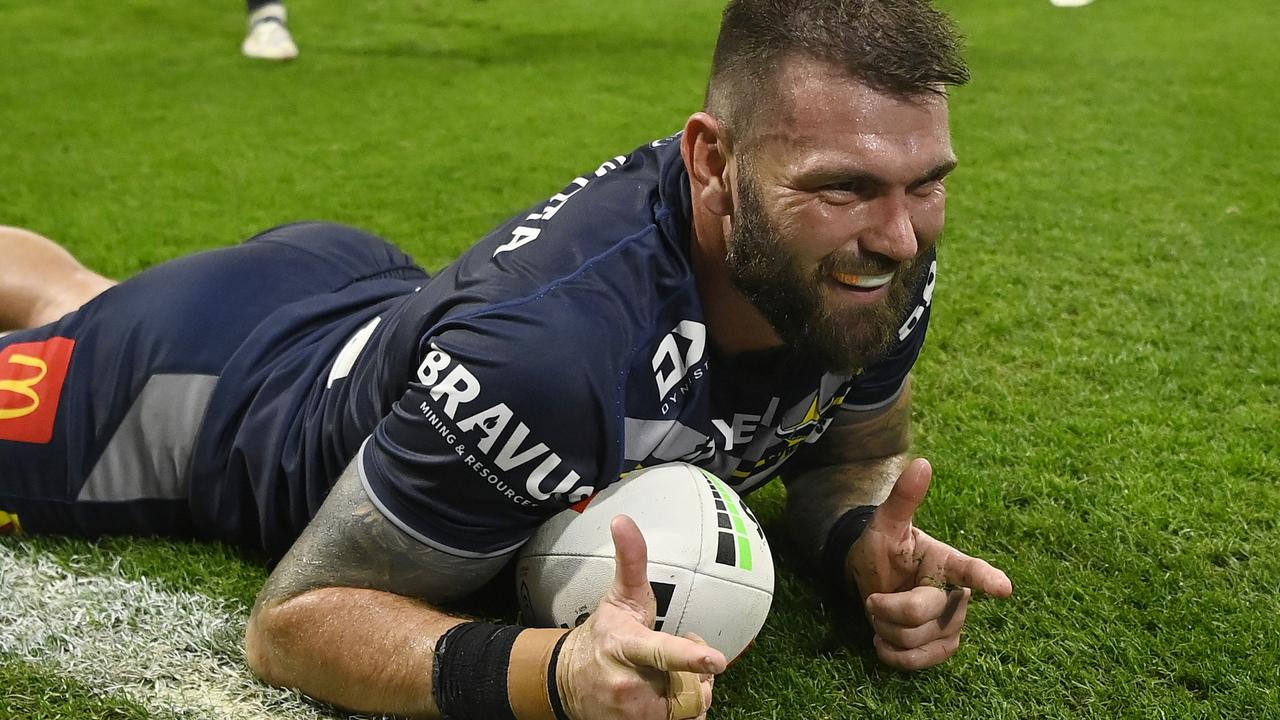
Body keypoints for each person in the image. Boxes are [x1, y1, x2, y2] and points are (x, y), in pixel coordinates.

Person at [0, 1, 1014, 718]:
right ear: (711, 161)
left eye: (923, 183)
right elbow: (294, 624)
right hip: (194, 394)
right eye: (842, 187)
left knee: (83, 300)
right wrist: (554, 678)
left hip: (362, 298)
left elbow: (846, 454)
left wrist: (852, 546)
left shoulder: (868, 268)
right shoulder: (551, 358)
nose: (895, 234)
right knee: (93, 322)